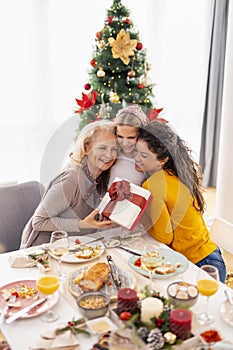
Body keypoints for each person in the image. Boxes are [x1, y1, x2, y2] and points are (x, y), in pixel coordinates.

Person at [135, 120, 226, 283]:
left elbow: (164, 238)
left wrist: (139, 212)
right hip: (212, 256)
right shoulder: (176, 174)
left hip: (199, 265)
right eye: (136, 151)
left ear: (162, 160)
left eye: (144, 155)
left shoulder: (154, 184)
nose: (136, 158)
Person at [20, 120, 118, 248]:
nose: (109, 155)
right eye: (102, 147)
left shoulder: (100, 179)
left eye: (114, 149)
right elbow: (39, 222)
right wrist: (82, 224)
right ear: (86, 147)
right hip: (43, 251)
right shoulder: (71, 178)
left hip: (73, 247)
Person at [108, 104, 147, 186]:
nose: (125, 143)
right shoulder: (111, 155)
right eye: (120, 136)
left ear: (141, 134)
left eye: (131, 137)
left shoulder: (146, 161)